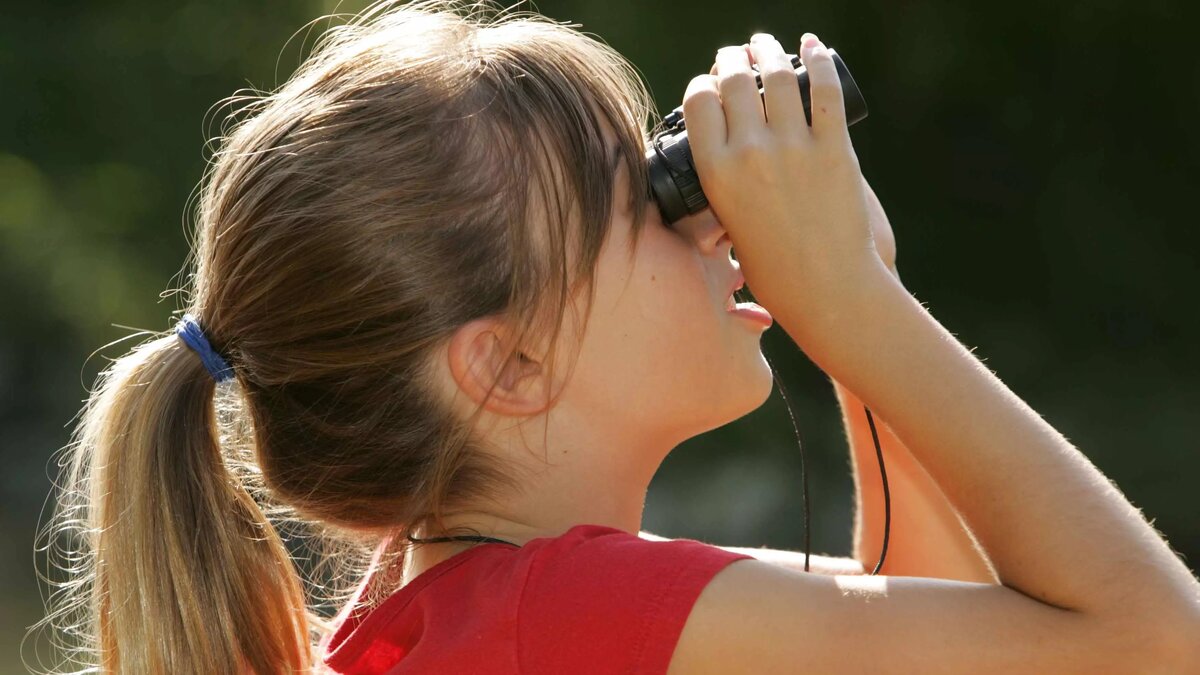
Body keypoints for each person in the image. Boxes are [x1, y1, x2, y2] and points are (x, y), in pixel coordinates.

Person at [36, 0, 1199, 673]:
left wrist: (860, 299)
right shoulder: (565, 609)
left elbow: (943, 649)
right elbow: (1149, 645)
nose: (703, 219)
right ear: (507, 363)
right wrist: (857, 312)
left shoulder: (459, 618)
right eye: (640, 199)